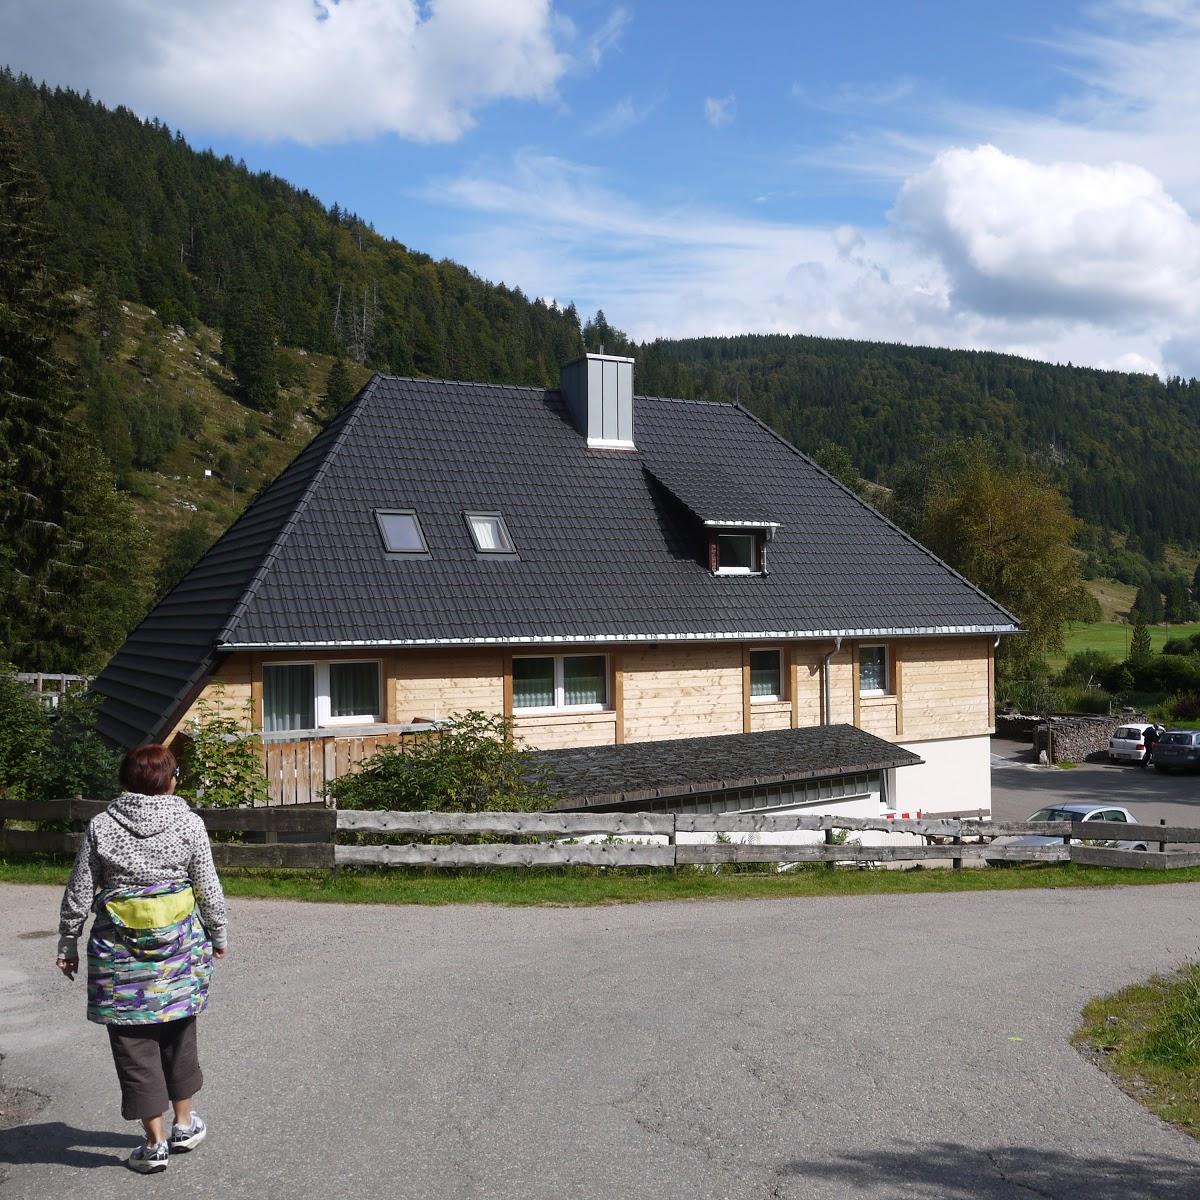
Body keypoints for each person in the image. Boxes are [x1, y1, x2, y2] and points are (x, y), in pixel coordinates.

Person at [56, 743, 228, 1174]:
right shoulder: (189, 823)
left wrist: (67, 941)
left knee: (134, 1045)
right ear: (171, 780)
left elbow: (81, 888)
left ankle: (154, 1145)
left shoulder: (102, 826)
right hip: (179, 950)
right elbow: (208, 885)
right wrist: (219, 932)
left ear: (124, 781)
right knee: (178, 1032)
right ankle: (184, 1125)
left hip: (120, 955)